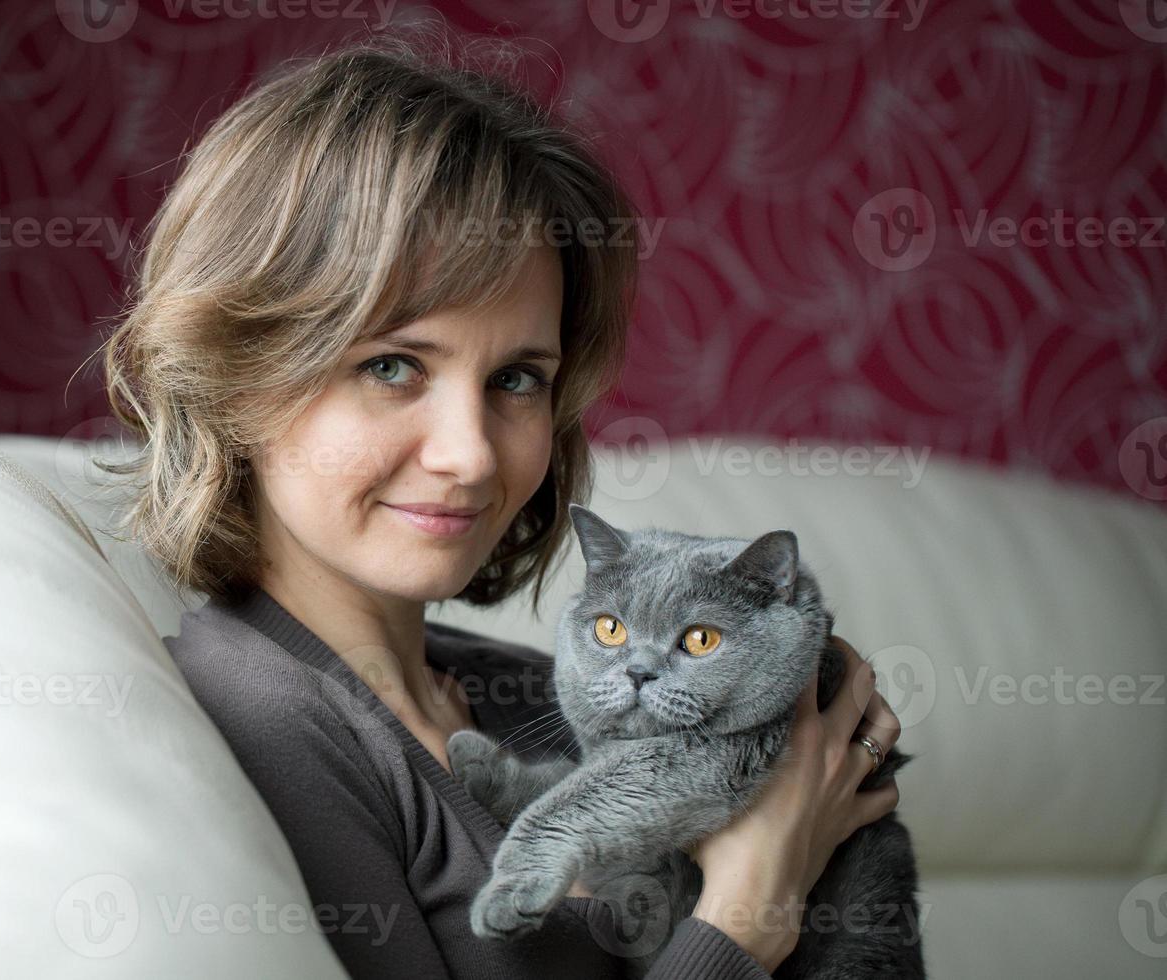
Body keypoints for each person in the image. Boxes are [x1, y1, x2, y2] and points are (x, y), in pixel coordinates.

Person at [96, 26, 902, 979]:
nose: (471, 455)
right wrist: (745, 917)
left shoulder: (526, 691)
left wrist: (807, 713)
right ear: (239, 378)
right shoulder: (267, 723)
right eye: (393, 366)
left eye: (517, 379)